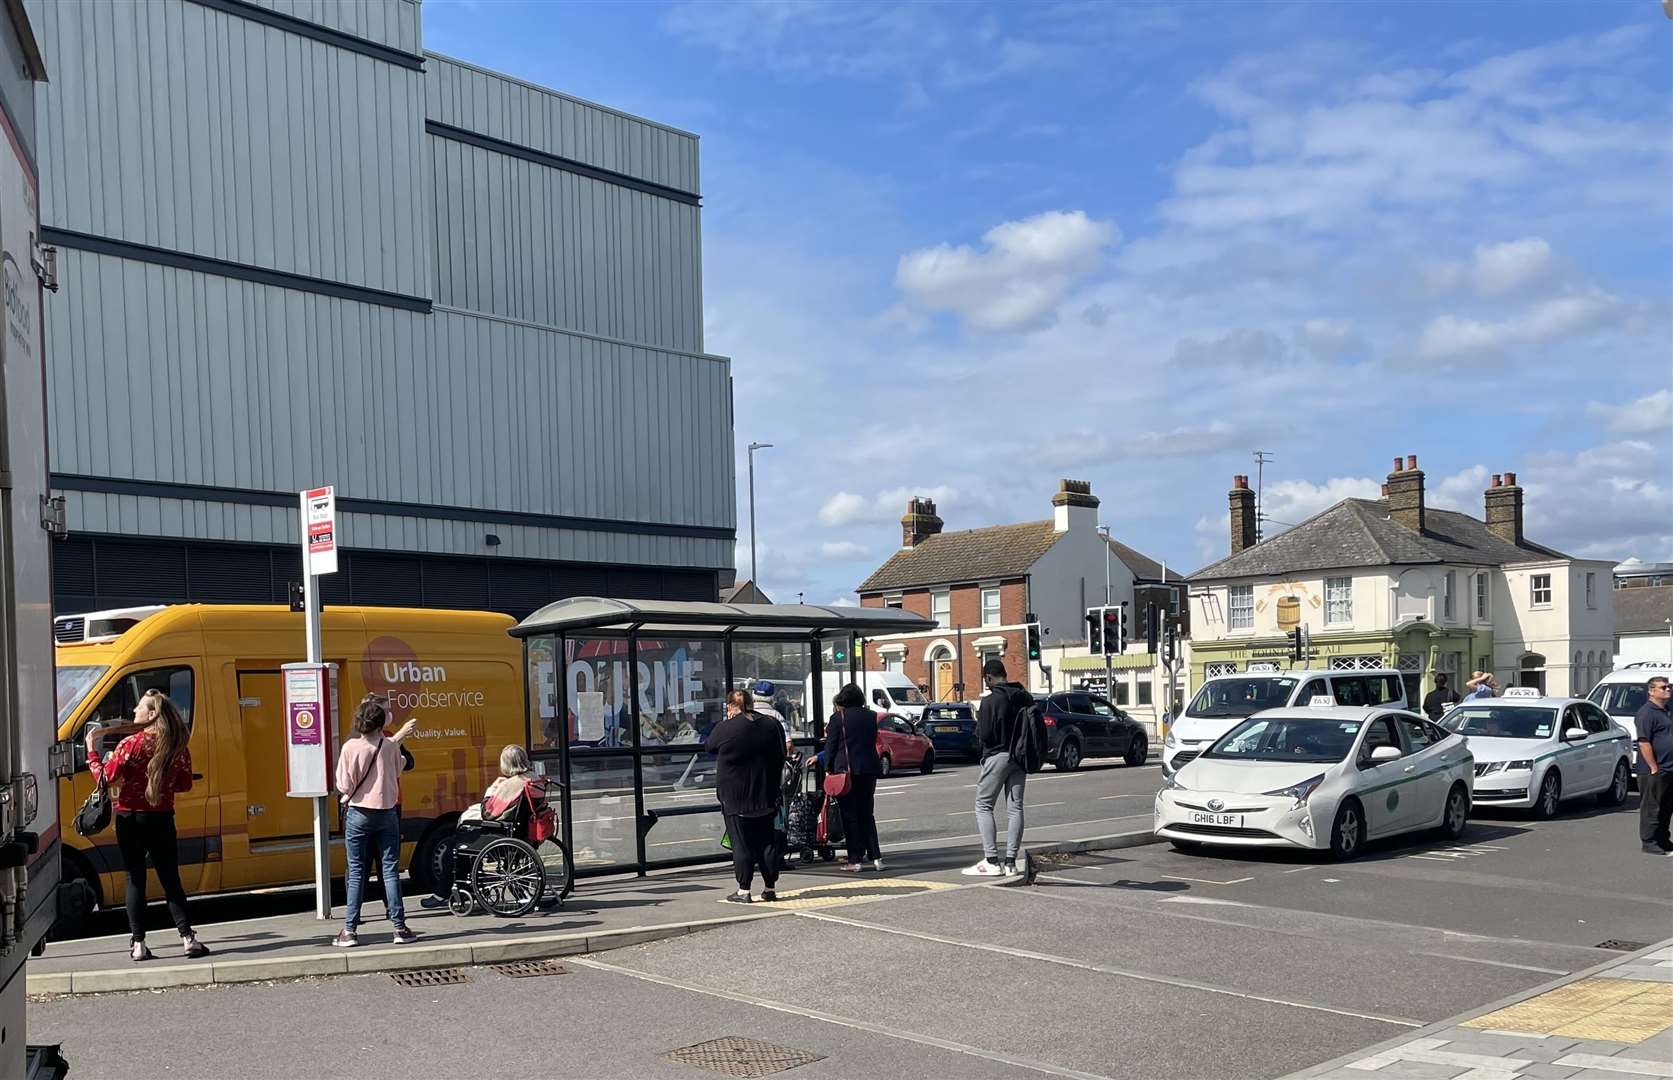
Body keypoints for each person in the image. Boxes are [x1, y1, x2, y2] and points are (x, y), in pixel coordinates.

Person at [86, 689, 208, 962]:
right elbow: (185, 784)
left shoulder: (130, 745)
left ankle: (139, 943)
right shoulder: (177, 747)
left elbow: (106, 778)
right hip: (162, 818)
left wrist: (91, 752)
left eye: (139, 707)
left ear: (151, 714)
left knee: (135, 878)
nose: (134, 712)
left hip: (130, 818)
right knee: (170, 878)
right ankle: (188, 938)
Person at [334, 694, 420, 947]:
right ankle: (399, 928)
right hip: (387, 813)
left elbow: (343, 784)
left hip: (358, 814)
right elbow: (399, 770)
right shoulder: (391, 746)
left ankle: (349, 930)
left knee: (358, 871)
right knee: (390, 870)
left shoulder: (350, 748)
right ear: (382, 723)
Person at [705, 689, 787, 902]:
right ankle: (770, 888)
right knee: (767, 841)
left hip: (735, 795)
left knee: (741, 843)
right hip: (766, 792)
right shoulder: (771, 724)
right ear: (751, 703)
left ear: (731, 706)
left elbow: (710, 746)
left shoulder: (726, 727)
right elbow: (782, 753)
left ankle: (744, 890)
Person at [964, 658, 1028, 878]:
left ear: (989, 677)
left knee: (983, 805)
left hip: (997, 756)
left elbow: (983, 735)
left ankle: (991, 860)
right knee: (1016, 808)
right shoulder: (1023, 697)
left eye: (986, 680)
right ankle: (1011, 862)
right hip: (1020, 757)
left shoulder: (991, 701)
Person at [824, 683, 882, 872]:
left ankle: (854, 859)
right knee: (867, 814)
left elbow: (831, 746)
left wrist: (827, 768)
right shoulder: (871, 717)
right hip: (868, 770)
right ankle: (876, 858)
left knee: (850, 816)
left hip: (846, 772)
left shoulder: (838, 718)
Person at [1634, 675, 1673, 857]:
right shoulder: (1646, 713)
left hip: (1670, 768)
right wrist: (1653, 767)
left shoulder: (1667, 710)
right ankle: (1649, 842)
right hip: (1654, 770)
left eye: (1669, 687)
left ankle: (1663, 839)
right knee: (1652, 806)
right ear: (1651, 691)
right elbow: (1643, 742)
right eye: (1663, 687)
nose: (1668, 690)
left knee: (1666, 807)